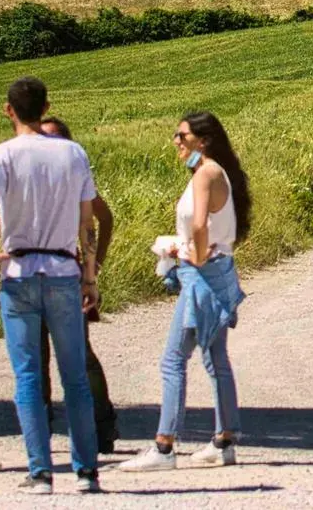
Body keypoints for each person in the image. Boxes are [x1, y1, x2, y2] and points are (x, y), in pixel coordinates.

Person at [0, 77, 103, 495]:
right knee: (75, 376)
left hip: (19, 271)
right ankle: (86, 472)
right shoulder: (72, 153)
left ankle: (40, 471)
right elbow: (87, 223)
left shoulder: (2, 155)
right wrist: (90, 275)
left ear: (9, 110)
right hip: (63, 270)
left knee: (27, 375)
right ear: (46, 108)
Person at [118, 111, 250, 473]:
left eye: (182, 135)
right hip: (218, 270)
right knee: (215, 358)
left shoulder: (206, 173)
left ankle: (164, 447)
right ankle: (224, 440)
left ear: (201, 140)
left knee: (173, 360)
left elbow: (199, 222)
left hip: (202, 275)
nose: (176, 141)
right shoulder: (209, 170)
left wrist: (191, 252)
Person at [35, 114, 119, 454]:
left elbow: (103, 217)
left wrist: (94, 264)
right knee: (36, 357)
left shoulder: (74, 176)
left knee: (80, 354)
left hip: (67, 271)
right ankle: (40, 430)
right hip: (31, 272)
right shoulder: (31, 174)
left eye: (54, 138)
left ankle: (102, 426)